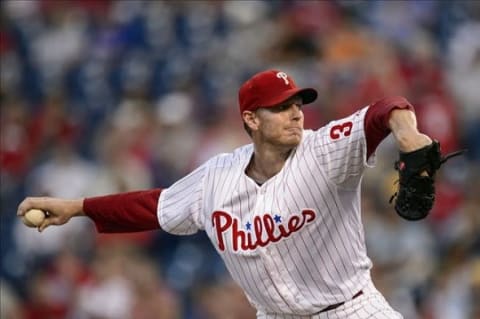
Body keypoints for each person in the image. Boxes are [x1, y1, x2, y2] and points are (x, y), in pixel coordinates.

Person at [18, 69, 434, 318]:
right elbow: (154, 205)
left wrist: (408, 133)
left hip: (351, 309)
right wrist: (75, 207)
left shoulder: (325, 150)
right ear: (251, 119)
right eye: (281, 106)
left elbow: (387, 107)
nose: (295, 113)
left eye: (298, 104)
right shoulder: (217, 177)